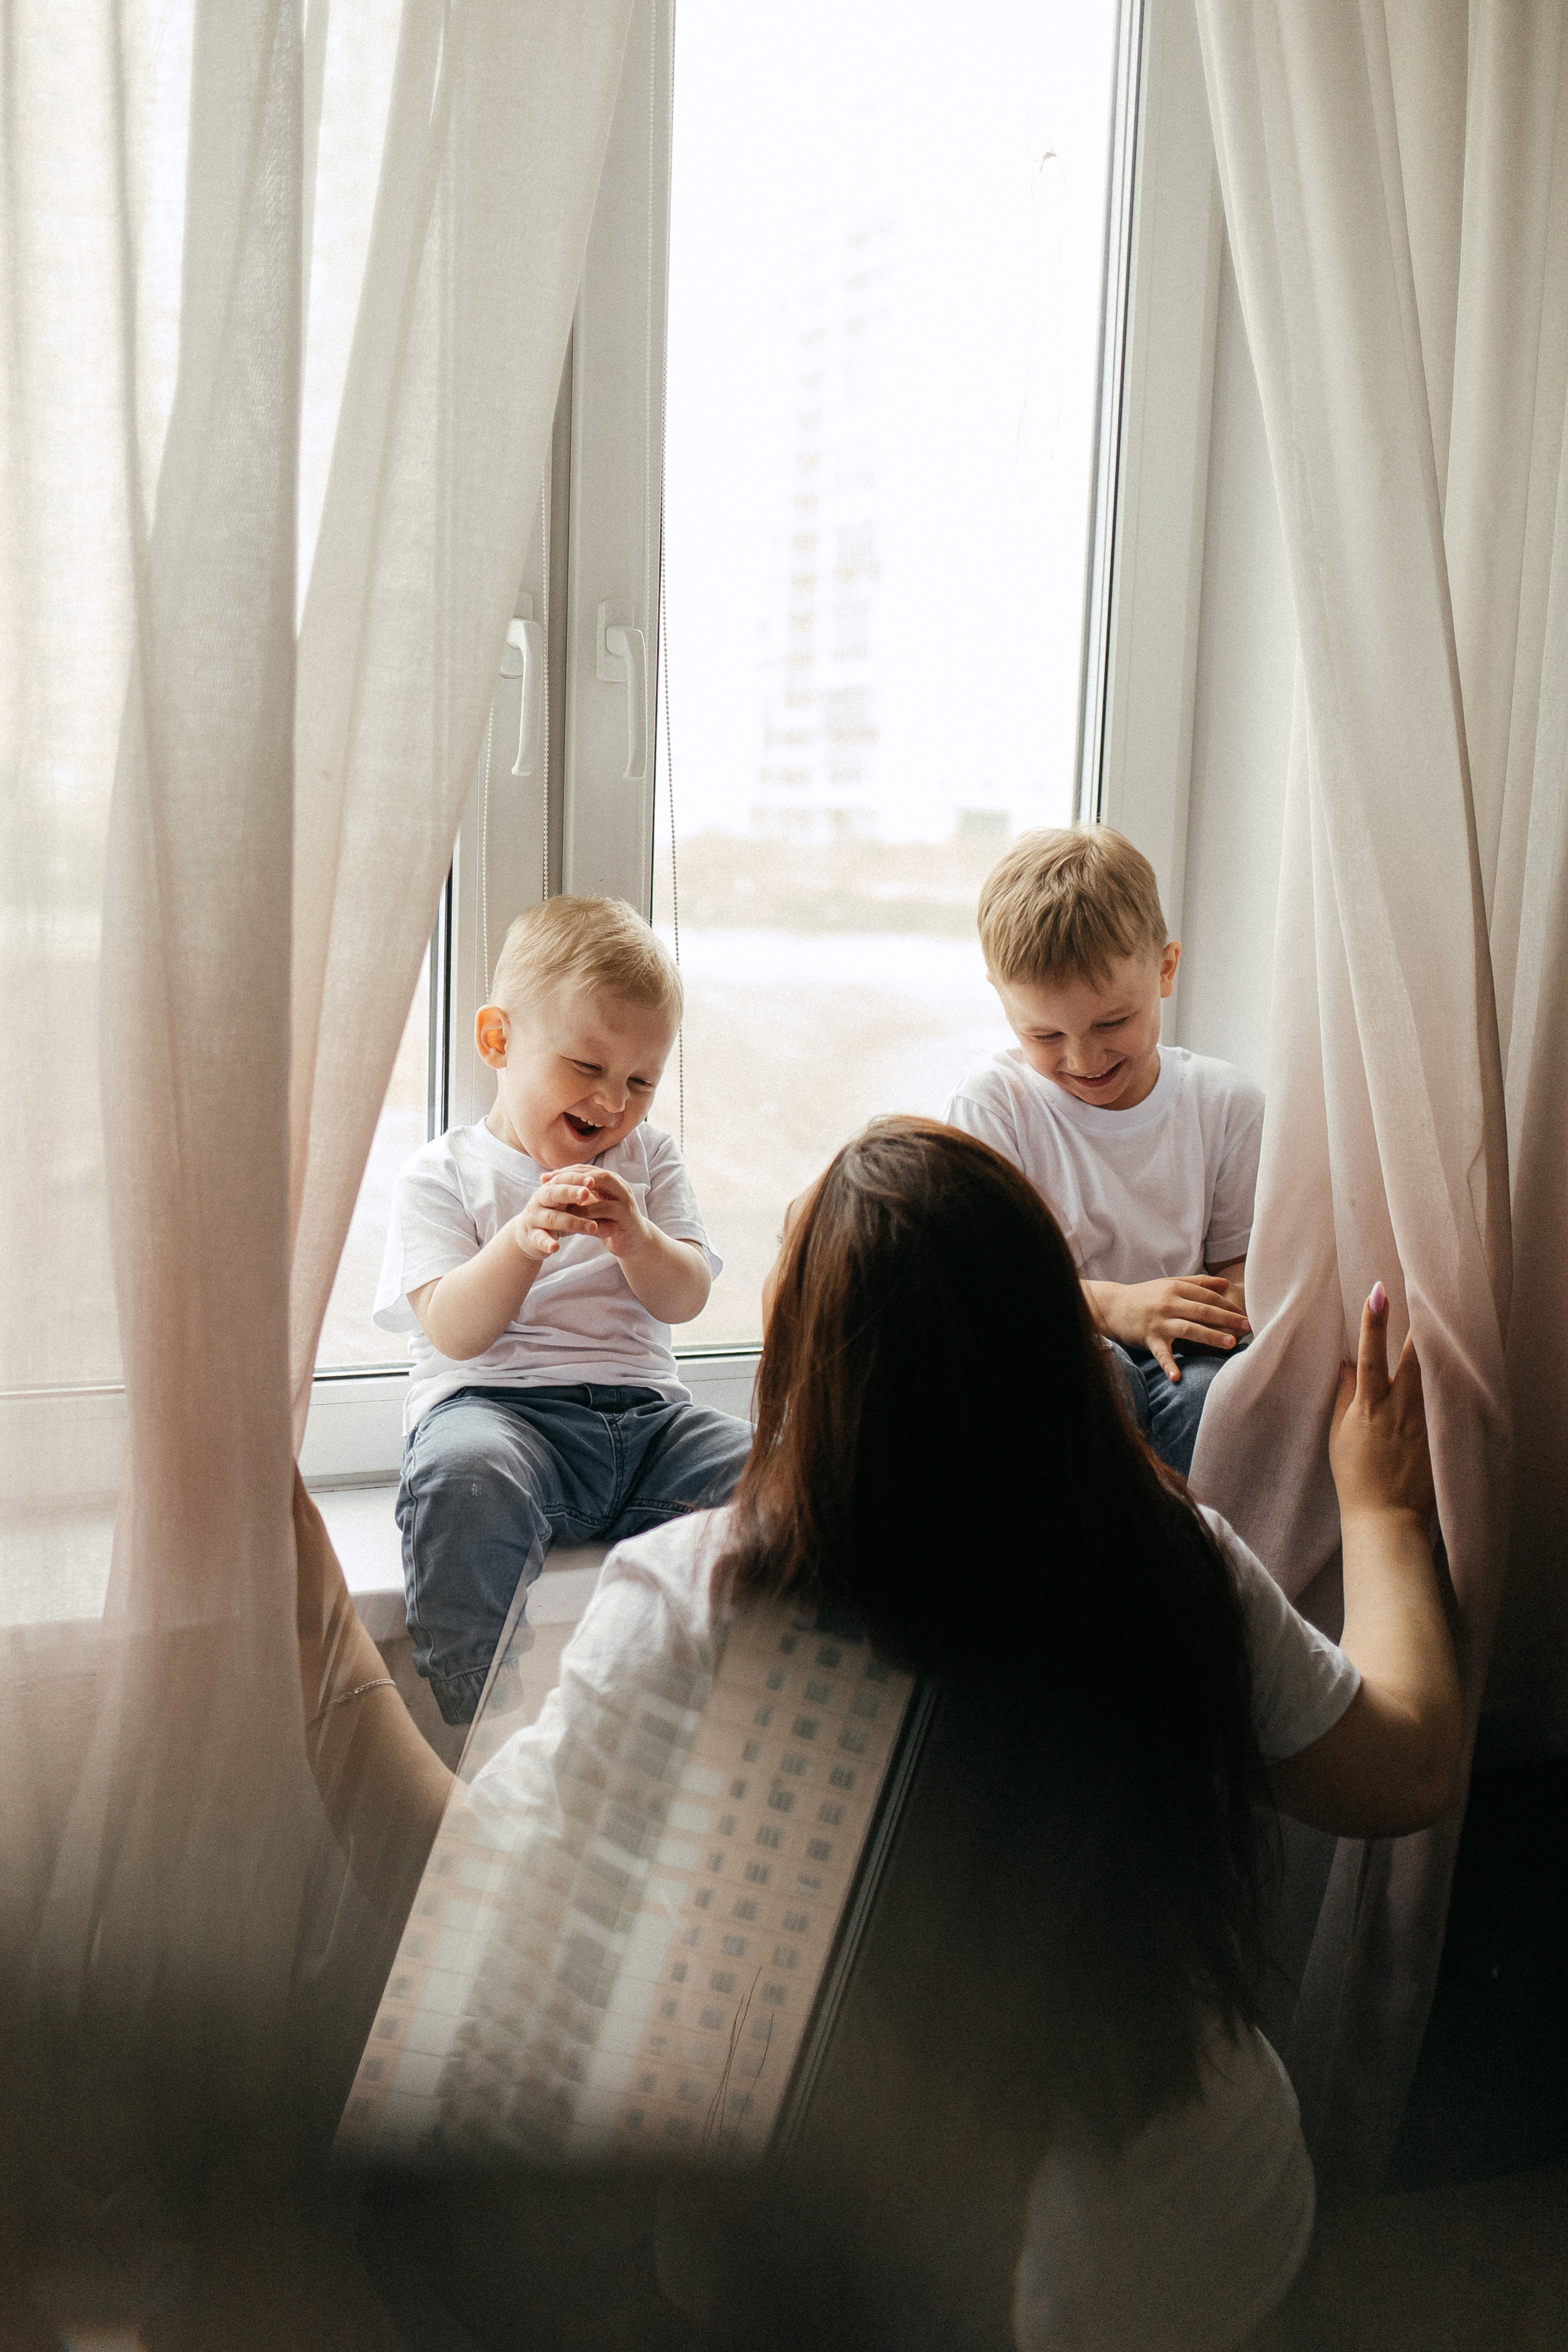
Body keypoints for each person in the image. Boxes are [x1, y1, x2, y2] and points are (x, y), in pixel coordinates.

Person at [298, 1117, 1460, 2351]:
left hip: (871, 2294)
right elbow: (1404, 1768)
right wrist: (1382, 1512)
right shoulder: (1166, 1557)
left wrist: (313, 1611)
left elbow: (451, 1884)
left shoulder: (702, 1602)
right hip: (1202, 2248)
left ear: (806, 1354)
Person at [372, 894, 752, 1723]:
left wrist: (639, 1239)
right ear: (498, 1041)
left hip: (648, 1428)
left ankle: (736, 1699)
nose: (613, 1104)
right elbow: (454, 1331)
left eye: (641, 1081)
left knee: (780, 1478)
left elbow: (686, 1295)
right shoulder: (443, 1174)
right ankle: (486, 1718)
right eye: (587, 1067)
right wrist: (522, 1239)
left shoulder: (649, 1159)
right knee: (461, 1479)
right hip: (499, 1413)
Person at [947, 825, 1262, 1479]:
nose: (1084, 1058)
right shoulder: (995, 1106)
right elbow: (986, 1289)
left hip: (1184, 1355)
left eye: (1113, 1022)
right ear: (1001, 998)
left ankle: (1175, 1542)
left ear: (1165, 969)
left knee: (1215, 1397)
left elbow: (1237, 1269)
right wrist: (1118, 1307)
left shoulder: (1226, 1104)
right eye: (1044, 1035)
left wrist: (1219, 1310)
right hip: (1059, 1338)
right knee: (1097, 1376)